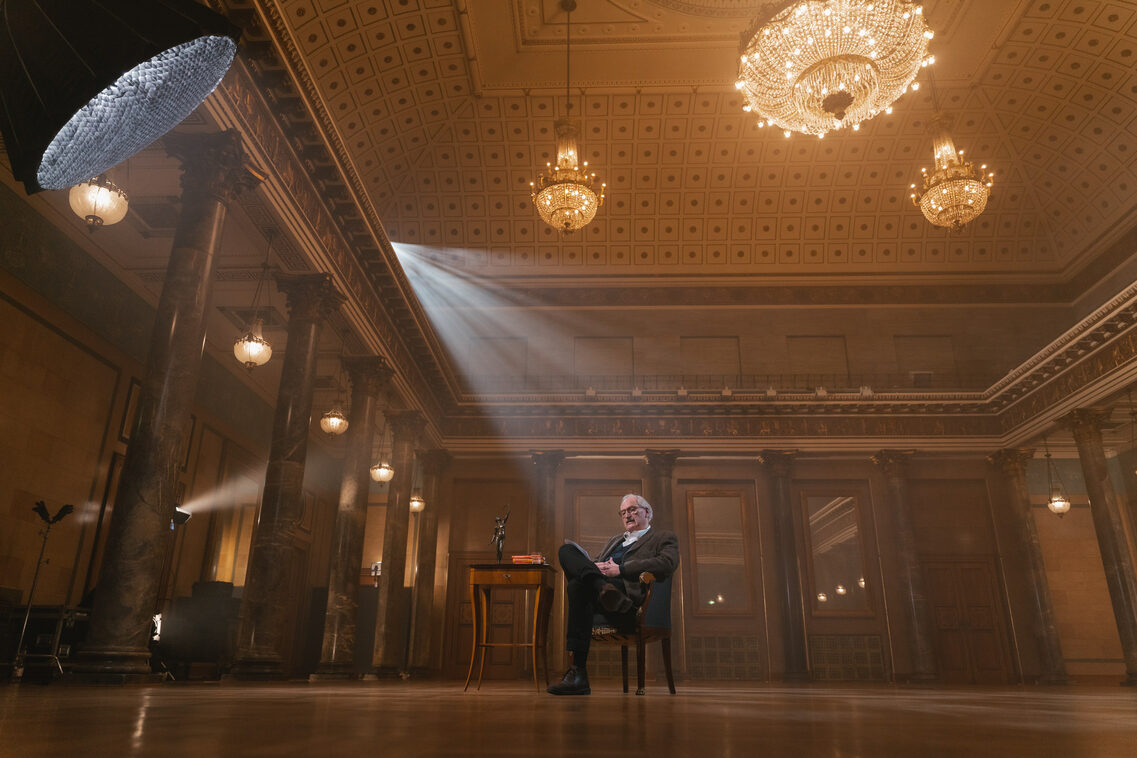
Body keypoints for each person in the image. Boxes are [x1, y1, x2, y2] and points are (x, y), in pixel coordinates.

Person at [547, 493, 679, 696]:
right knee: (566, 551)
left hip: (628, 600)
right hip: (605, 595)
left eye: (633, 509)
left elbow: (667, 564)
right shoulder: (615, 540)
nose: (627, 515)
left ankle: (578, 674)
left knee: (576, 587)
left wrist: (622, 569)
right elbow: (597, 562)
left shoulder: (663, 538)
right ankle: (600, 586)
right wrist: (595, 567)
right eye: (623, 512)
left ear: (648, 513)